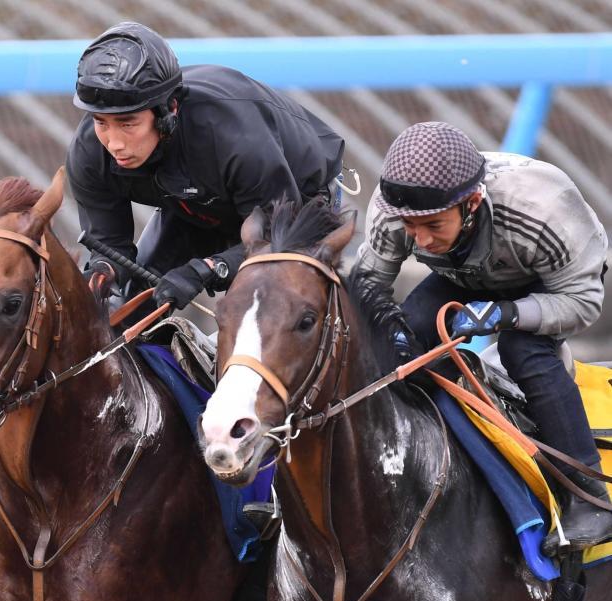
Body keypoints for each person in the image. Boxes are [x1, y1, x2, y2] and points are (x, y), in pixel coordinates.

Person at [353, 120, 611, 555]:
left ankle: (589, 498)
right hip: (463, 275)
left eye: (433, 224)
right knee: (403, 343)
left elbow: (584, 303)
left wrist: (508, 313)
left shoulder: (543, 208)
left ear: (472, 202)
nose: (418, 239)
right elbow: (365, 291)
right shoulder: (392, 212)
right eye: (409, 226)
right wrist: (387, 335)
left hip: (547, 284)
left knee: (523, 349)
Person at [66, 21, 346, 312]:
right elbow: (109, 247)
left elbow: (278, 235)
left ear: (168, 111)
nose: (113, 143)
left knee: (271, 316)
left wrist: (212, 267)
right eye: (101, 122)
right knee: (127, 303)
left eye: (127, 123)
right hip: (196, 207)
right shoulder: (90, 150)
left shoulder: (234, 139)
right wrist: (101, 273)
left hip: (295, 206)